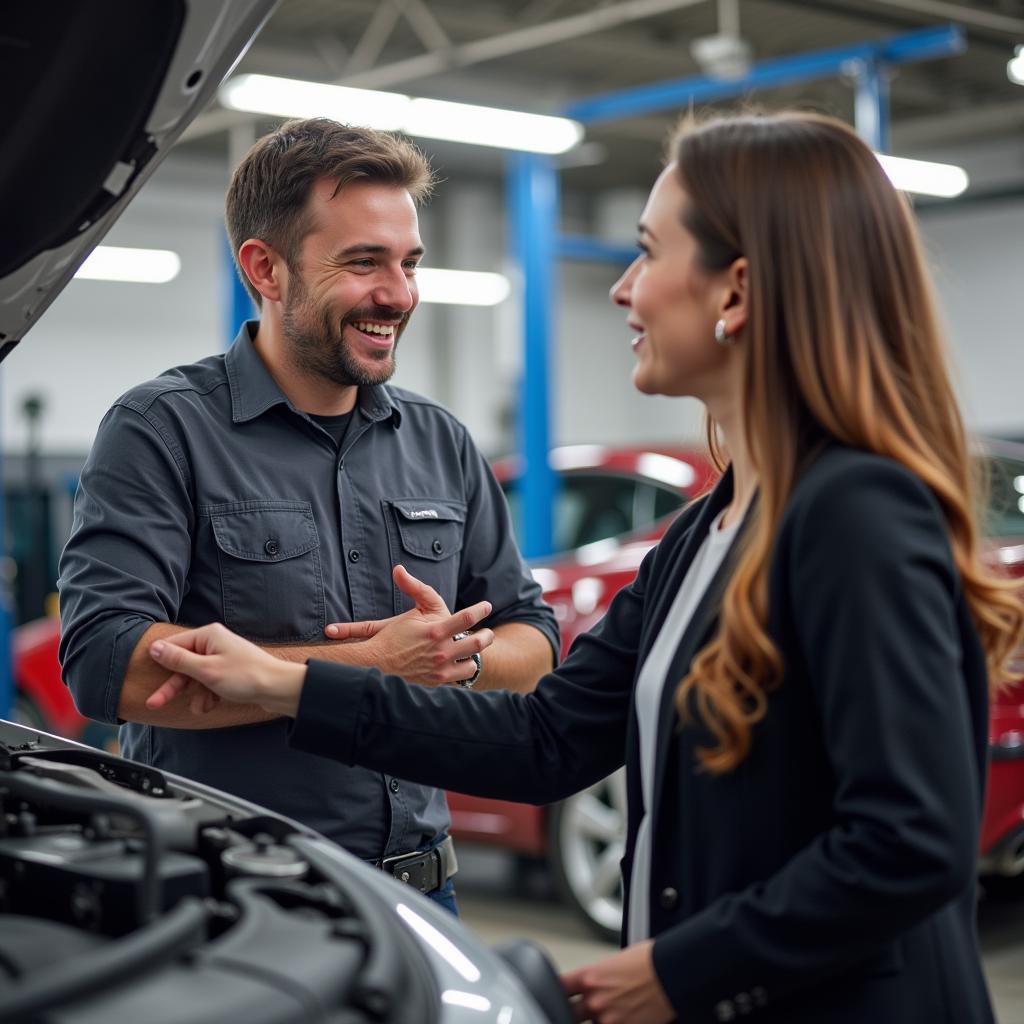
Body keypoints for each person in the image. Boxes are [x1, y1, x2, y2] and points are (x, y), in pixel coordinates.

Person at [143, 110, 1024, 1023]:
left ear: (738, 291)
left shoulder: (857, 514)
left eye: (646, 253)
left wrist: (677, 971)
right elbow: (550, 740)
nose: (623, 290)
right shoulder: (707, 529)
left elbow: (913, 841)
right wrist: (292, 688)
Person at [57, 117, 559, 915]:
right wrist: (376, 669)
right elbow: (109, 665)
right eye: (363, 263)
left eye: (408, 262)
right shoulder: (162, 430)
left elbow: (534, 637)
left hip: (425, 893)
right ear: (266, 268)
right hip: (234, 908)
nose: (398, 294)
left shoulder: (439, 441)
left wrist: (448, 659)